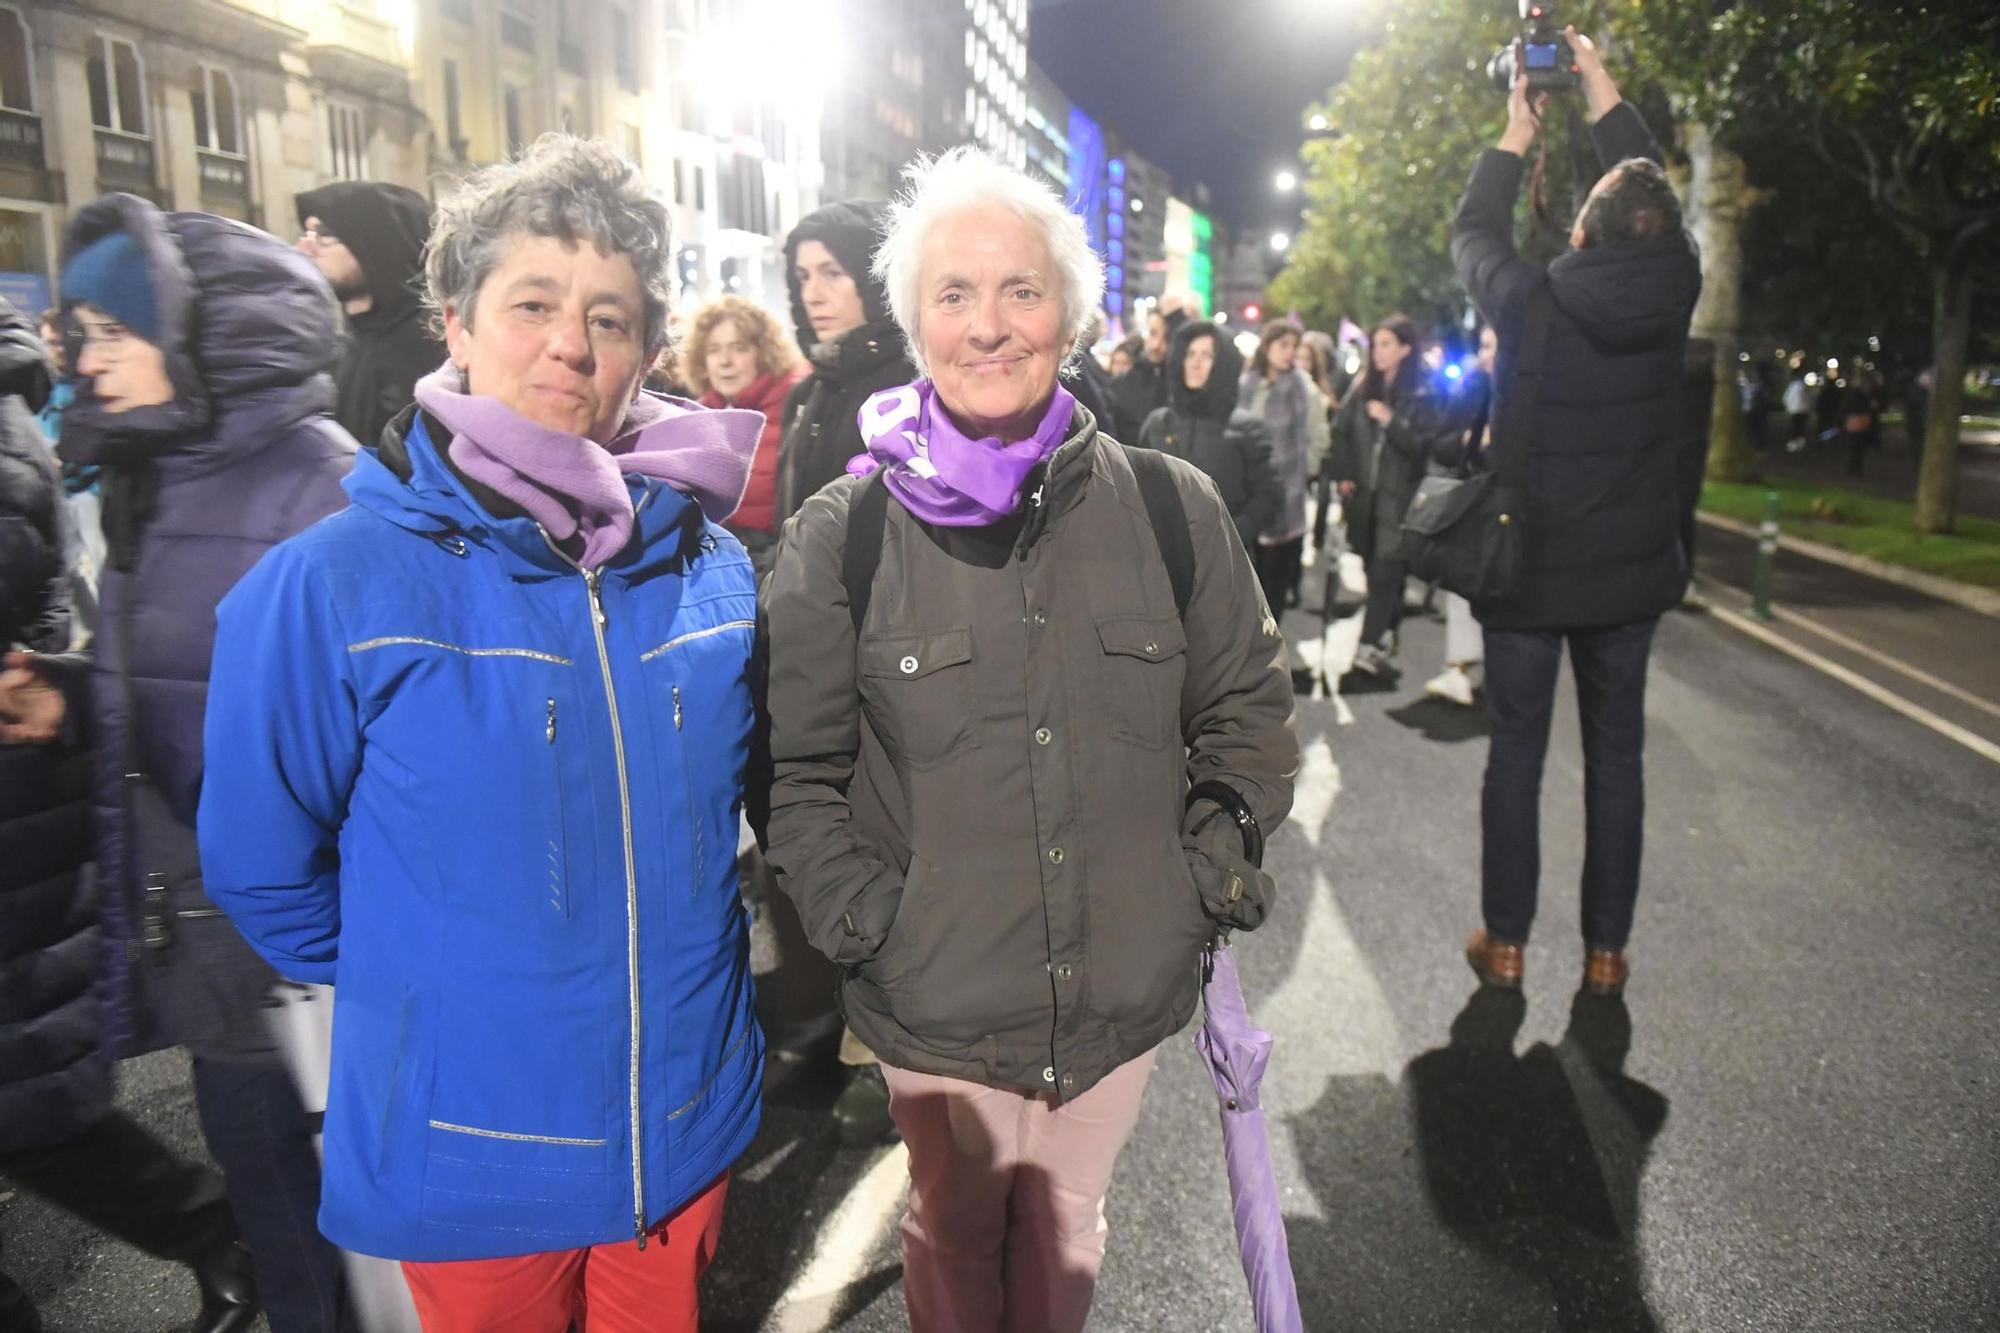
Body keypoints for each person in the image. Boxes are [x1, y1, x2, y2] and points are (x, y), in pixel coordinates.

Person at [197, 135, 765, 1333]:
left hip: (681, 1126)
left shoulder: (711, 569)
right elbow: (260, 863)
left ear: (646, 349)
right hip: (475, 1153)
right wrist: (432, 984)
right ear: (454, 324)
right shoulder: (330, 587)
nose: (572, 342)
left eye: (609, 316)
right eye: (533, 303)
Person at [761, 147, 1298, 1333]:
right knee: (952, 1234)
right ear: (915, 323)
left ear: (1069, 312)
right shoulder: (839, 535)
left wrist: (1200, 877)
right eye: (954, 295)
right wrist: (868, 923)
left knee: (1064, 1234)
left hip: (1118, 986)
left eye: (1020, 291)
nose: (989, 327)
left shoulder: (1171, 508)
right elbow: (795, 771)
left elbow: (1248, 718)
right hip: (934, 997)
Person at [32, 192, 361, 1333]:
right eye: (78, 328)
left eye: (115, 328)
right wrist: (70, 698)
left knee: (342, 1230)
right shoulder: (151, 471)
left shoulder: (315, 479)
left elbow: (376, 731)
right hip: (208, 935)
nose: (86, 355)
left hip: (304, 948)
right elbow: (184, 685)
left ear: (199, 330)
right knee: (275, 1210)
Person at [0, 295, 259, 1333]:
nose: (93, 360)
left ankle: (221, 1230)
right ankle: (219, 1231)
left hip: (23, 795)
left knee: (32, 1104)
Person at [1450, 27, 1701, 996]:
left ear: (1581, 234)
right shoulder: (1674, 285)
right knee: (1617, 761)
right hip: (1628, 571)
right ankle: (1605, 954)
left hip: (1529, 568)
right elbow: (1650, 204)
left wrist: (1514, 136)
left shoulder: (1529, 299)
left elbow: (1473, 235)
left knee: (1514, 754)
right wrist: (1597, 84)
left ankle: (1505, 943)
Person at [1327, 314, 1456, 677]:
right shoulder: (1362, 387)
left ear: (1404, 349)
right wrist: (1344, 474)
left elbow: (1424, 447)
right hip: (1365, 499)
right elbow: (1341, 432)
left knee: (1386, 570)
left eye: (1386, 345)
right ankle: (1388, 628)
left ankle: (1369, 644)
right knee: (1373, 567)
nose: (1379, 352)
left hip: (1401, 500)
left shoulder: (1424, 392)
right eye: (1376, 345)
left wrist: (1390, 420)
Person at [776, 200, 919, 525]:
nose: (812, 294)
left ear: (875, 280)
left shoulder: (915, 386)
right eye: (803, 277)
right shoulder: (805, 395)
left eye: (832, 273)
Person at [295, 183, 444, 448]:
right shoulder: (339, 346)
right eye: (306, 233)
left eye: (324, 234)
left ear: (376, 244)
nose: (305, 248)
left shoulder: (438, 347)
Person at [681, 293, 805, 579]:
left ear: (763, 352)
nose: (725, 361)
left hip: (779, 566)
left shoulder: (793, 404)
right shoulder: (696, 417)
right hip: (713, 564)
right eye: (713, 349)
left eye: (739, 347)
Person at [1135, 320, 1282, 554]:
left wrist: (1231, 533)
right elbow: (1135, 489)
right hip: (1161, 559)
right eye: (1190, 353)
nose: (1195, 362)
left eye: (1207, 355)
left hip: (1224, 560)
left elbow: (1268, 496)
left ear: (1223, 364)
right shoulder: (1158, 423)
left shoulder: (1248, 429)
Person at [1425, 325, 1498, 707]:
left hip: (1511, 513)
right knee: (1462, 585)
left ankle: (1489, 671)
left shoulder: (1534, 393)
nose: (1487, 355)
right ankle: (1459, 669)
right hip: (1472, 505)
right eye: (1484, 346)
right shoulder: (1471, 390)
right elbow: (1441, 443)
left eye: (1493, 346)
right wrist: (1476, 440)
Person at [1240, 317, 1329, 611]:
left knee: (1275, 583)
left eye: (1294, 346)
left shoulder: (1302, 386)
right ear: (1267, 346)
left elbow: (1318, 433)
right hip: (1248, 492)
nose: (1289, 352)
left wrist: (1305, 471)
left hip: (1287, 494)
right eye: (1283, 344)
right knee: (1247, 579)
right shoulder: (1246, 384)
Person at [1106, 306, 1170, 443]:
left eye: (1166, 337)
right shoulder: (1120, 385)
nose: (1156, 345)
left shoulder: (1182, 388)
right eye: (1153, 334)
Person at [1782, 367, 1812, 451]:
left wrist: (1788, 407)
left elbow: (1786, 398)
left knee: (1795, 427)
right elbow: (1808, 398)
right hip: (1803, 410)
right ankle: (1799, 443)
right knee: (1800, 427)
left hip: (1795, 410)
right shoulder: (1803, 386)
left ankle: (1795, 444)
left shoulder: (1792, 386)